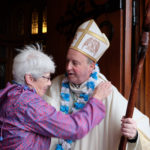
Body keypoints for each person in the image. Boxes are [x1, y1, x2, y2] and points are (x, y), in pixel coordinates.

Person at [44, 19, 150, 150]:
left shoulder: (104, 90)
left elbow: (142, 127)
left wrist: (134, 135)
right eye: (67, 61)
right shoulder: (55, 85)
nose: (68, 67)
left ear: (91, 66)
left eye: (75, 63)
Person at [0, 44, 113, 150]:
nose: (50, 83)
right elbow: (75, 128)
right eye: (47, 78)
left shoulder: (12, 93)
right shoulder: (28, 103)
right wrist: (97, 99)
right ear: (29, 79)